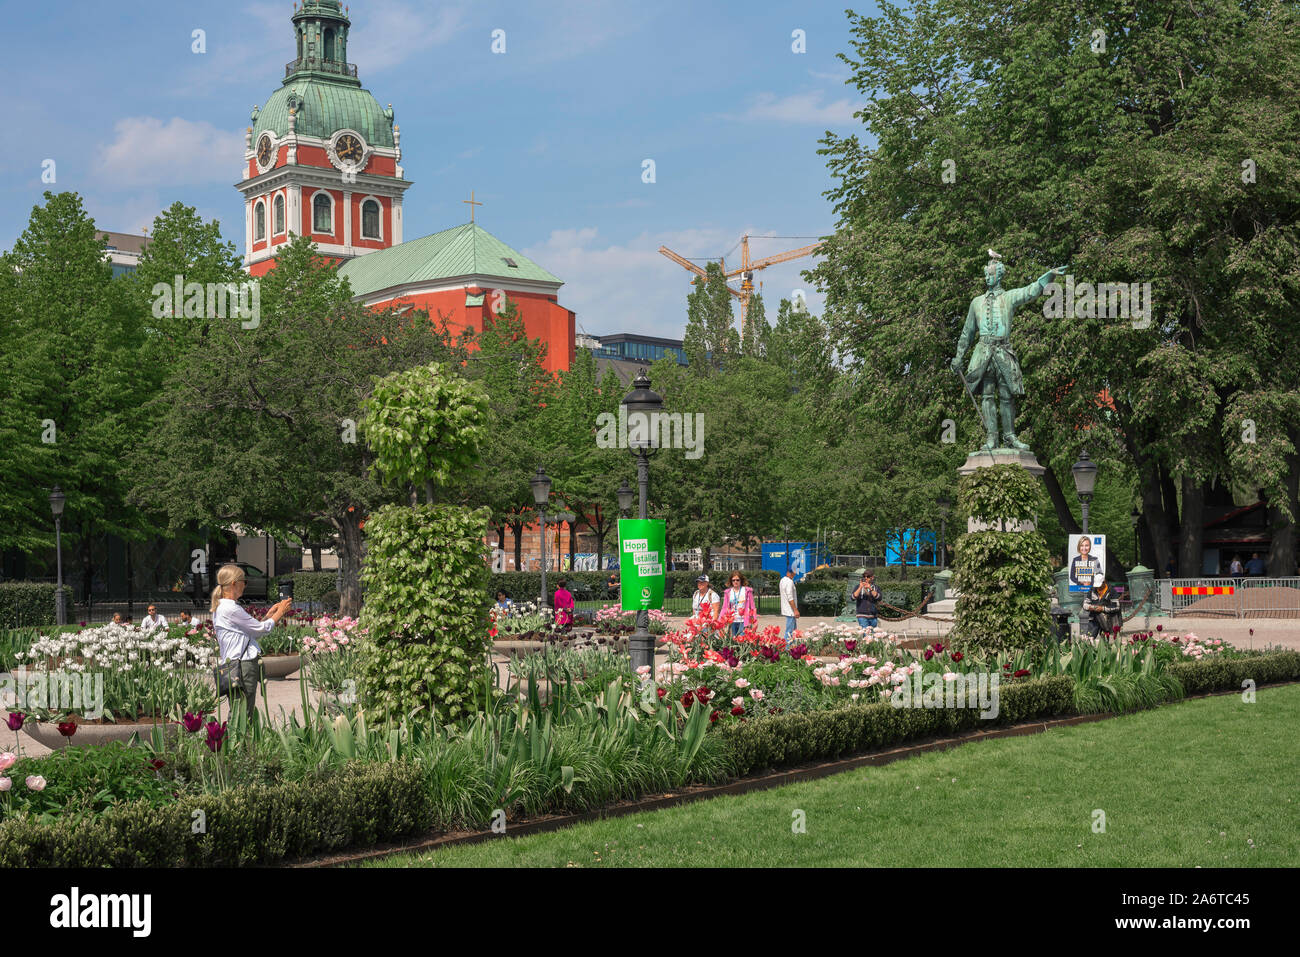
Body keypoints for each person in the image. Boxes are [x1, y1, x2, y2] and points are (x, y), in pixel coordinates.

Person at [211, 562, 292, 720]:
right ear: (235, 584)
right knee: (242, 714)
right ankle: (240, 743)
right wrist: (280, 612)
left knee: (239, 711)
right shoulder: (231, 608)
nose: (245, 585)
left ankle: (237, 742)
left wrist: (269, 616)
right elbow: (262, 629)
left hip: (234, 664)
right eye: (244, 582)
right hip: (243, 666)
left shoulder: (222, 607)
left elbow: (250, 633)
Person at [779, 567, 799, 641]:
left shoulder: (782, 580)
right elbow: (790, 597)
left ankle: (791, 647)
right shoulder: (789, 582)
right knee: (790, 632)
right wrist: (795, 610)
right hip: (790, 611)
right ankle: (787, 648)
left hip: (786, 609)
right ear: (792, 572)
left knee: (792, 631)